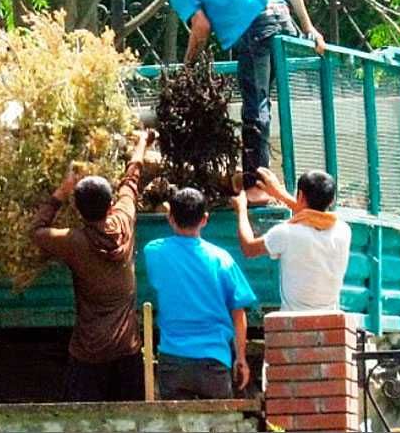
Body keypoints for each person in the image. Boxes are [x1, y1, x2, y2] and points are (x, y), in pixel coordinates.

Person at [155, 0, 326, 206]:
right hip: (283, 18)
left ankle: (257, 187)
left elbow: (201, 26)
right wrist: (309, 27)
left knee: (255, 106)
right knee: (263, 102)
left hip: (256, 27)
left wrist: (186, 69)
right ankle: (259, 178)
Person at [30, 131, 155, 402]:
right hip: (127, 350)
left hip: (89, 354)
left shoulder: (74, 241)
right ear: (110, 205)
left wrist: (60, 193)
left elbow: (37, 231)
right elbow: (131, 178)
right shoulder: (124, 222)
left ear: (78, 211)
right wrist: (143, 142)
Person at [144, 188, 257, 400]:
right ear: (205, 219)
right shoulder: (222, 260)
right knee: (219, 424)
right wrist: (240, 357)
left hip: (172, 358)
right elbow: (238, 313)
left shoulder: (154, 252)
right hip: (213, 359)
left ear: (170, 218)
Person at [231, 167, 351, 312]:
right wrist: (281, 195)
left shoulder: (286, 233)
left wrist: (241, 210)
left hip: (293, 322)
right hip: (329, 319)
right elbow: (313, 216)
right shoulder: (343, 231)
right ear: (331, 201)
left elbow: (249, 248)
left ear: (300, 195)